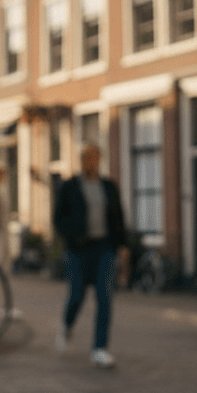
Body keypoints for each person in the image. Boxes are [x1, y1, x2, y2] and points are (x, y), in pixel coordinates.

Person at [53, 144, 129, 368]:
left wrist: (123, 246)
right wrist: (72, 237)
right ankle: (67, 326)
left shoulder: (108, 186)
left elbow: (118, 216)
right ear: (81, 161)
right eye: (86, 158)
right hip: (78, 250)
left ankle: (100, 349)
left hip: (104, 247)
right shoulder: (69, 187)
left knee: (105, 298)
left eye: (94, 158)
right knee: (76, 295)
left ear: (99, 160)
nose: (90, 162)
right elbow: (58, 218)